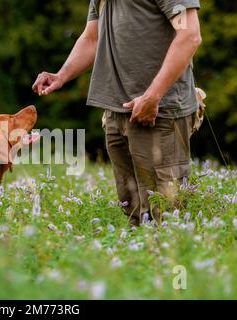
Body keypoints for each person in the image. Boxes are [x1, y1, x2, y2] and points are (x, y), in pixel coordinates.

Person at [32, 0, 202, 226]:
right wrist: (61, 75)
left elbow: (189, 35)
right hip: (116, 112)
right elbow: (92, 38)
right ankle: (140, 261)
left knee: (166, 213)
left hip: (159, 112)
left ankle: (171, 261)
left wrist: (153, 96)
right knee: (132, 210)